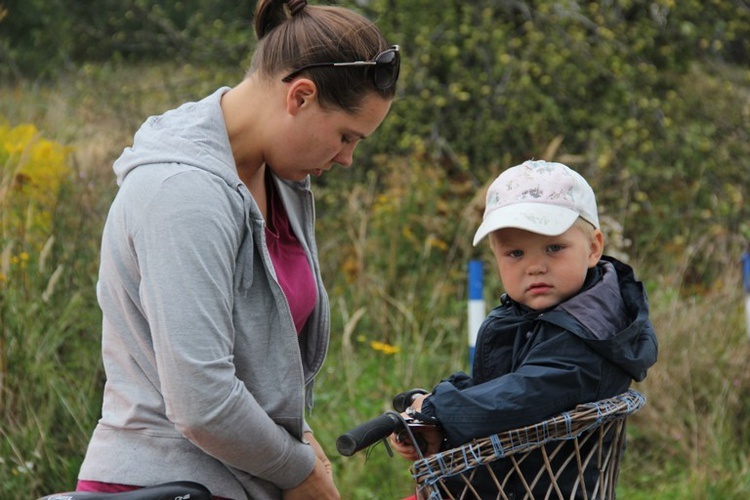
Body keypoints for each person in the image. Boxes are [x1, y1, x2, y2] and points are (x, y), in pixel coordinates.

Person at [75, 1, 399, 499]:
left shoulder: (278, 179)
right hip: (166, 484)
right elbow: (200, 400)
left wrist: (298, 441)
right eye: (345, 136)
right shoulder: (182, 194)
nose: (348, 158)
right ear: (301, 96)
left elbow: (257, 366)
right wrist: (298, 470)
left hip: (242, 480)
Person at [389, 160, 658, 497]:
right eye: (515, 253)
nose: (534, 266)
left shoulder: (591, 335)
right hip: (495, 484)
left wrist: (438, 409)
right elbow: (497, 387)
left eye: (554, 248)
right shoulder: (526, 317)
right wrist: (431, 403)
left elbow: (520, 396)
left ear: (593, 248)